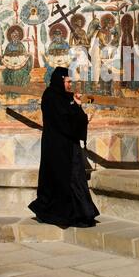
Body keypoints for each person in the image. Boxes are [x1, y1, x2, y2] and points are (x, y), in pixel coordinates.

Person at [28, 67, 99, 227]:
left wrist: (77, 106)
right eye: (68, 82)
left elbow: (71, 118)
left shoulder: (62, 97)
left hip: (66, 146)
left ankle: (79, 213)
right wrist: (79, 113)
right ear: (60, 81)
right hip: (57, 148)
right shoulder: (51, 97)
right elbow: (65, 121)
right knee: (63, 180)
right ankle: (65, 214)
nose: (70, 85)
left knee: (72, 179)